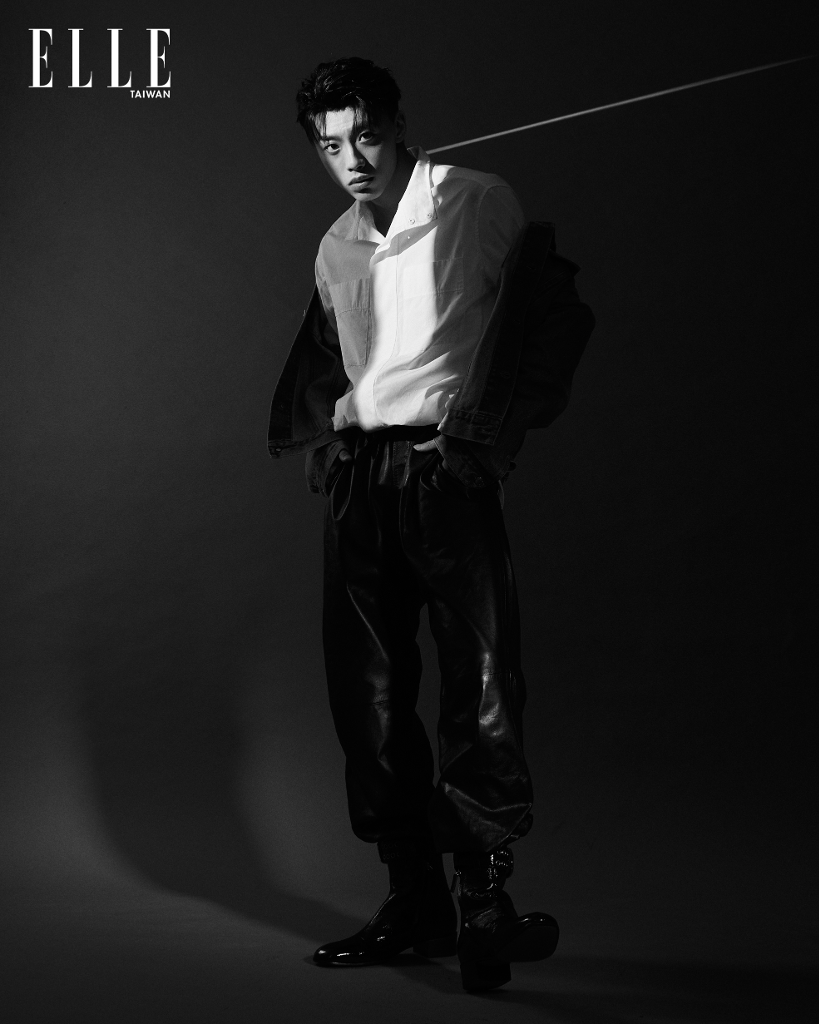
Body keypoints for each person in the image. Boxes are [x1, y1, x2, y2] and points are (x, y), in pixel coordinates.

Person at [268, 57, 595, 992]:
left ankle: (483, 905)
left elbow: (550, 319)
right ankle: (412, 900)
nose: (352, 159)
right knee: (366, 696)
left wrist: (487, 440)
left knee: (479, 683)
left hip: (445, 474)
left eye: (365, 135)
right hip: (363, 483)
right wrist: (329, 439)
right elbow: (338, 360)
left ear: (398, 123)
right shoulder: (334, 244)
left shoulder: (474, 200)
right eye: (331, 145)